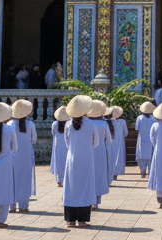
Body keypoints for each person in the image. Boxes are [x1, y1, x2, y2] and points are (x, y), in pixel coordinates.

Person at [61, 95, 101, 227]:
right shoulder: (91, 124)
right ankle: (82, 220)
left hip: (72, 159)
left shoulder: (68, 124)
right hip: (86, 159)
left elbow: (67, 142)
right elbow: (95, 143)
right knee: (85, 186)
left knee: (71, 187)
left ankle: (70, 220)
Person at [11, 99, 38, 212]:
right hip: (26, 154)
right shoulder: (30, 124)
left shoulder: (9, 124)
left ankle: (11, 205)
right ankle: (23, 205)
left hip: (12, 155)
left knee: (12, 179)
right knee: (25, 178)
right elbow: (34, 140)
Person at [88, 100, 112, 207]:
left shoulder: (87, 123)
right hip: (101, 150)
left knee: (90, 174)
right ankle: (97, 201)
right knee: (99, 174)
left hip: (89, 150)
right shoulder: (104, 123)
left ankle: (90, 200)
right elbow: (109, 139)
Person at [135, 102, 156, 177]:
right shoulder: (154, 119)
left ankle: (142, 171)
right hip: (151, 140)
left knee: (141, 156)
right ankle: (150, 172)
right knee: (150, 156)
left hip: (141, 140)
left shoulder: (139, 118)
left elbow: (136, 128)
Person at [50, 106, 69, 187]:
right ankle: (65, 178)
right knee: (65, 161)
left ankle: (59, 180)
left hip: (57, 144)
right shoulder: (69, 124)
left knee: (58, 161)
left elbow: (53, 133)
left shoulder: (55, 124)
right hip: (66, 144)